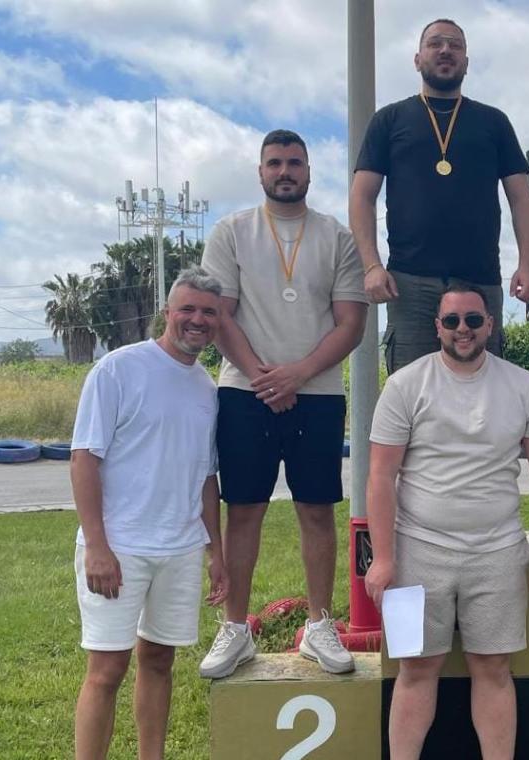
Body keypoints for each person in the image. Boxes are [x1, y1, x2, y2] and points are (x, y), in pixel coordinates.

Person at [365, 285, 529, 760]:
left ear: (489, 325)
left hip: (496, 551)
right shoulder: (404, 385)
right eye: (452, 321)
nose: (463, 330)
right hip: (416, 548)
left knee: (494, 668)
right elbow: (380, 476)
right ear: (436, 326)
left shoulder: (523, 385)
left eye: (473, 320)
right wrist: (384, 558)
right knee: (415, 669)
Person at [199, 129, 368, 678]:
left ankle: (320, 625)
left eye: (294, 162)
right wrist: (261, 376)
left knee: (316, 510)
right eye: (275, 163)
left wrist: (297, 373)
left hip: (316, 394)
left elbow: (352, 323)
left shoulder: (337, 237)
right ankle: (234, 626)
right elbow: (219, 315)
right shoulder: (231, 232)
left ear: (310, 172)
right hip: (244, 392)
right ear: (261, 172)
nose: (285, 171)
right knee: (242, 508)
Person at [72, 268, 229, 759]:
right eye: (188, 309)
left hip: (180, 548)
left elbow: (206, 476)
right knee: (107, 669)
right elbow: (84, 459)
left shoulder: (207, 386)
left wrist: (215, 553)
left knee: (159, 660)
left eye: (208, 312)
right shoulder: (118, 369)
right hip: (120, 547)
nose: (197, 320)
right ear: (168, 311)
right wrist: (97, 546)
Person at [350, 17, 529, 373]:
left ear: (466, 61)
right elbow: (362, 196)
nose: (445, 50)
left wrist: (526, 264)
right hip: (408, 281)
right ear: (417, 58)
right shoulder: (389, 120)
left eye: (455, 44)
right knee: (410, 392)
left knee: (485, 390)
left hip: (480, 278)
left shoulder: (493, 122)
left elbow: (521, 197)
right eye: (435, 43)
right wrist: (372, 265)